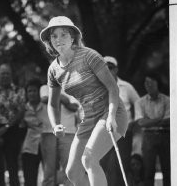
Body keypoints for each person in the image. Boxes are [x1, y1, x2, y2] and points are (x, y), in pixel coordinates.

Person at [39, 16, 128, 186]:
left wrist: (110, 116)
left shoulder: (89, 56)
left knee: (89, 159)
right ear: (49, 41)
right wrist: (55, 124)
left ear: (73, 37)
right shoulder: (53, 70)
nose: (58, 39)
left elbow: (113, 88)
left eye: (63, 34)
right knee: (72, 172)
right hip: (89, 118)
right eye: (54, 36)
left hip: (112, 112)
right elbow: (52, 103)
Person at [101, 56, 140, 186]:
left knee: (122, 165)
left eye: (110, 67)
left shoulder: (126, 86)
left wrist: (134, 122)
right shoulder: (98, 86)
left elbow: (138, 104)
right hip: (104, 133)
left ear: (116, 69)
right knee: (106, 165)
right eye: (104, 67)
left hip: (123, 132)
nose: (107, 70)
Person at [0, 64, 25, 186]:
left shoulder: (19, 91)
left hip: (12, 130)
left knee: (13, 166)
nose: (5, 76)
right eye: (2, 73)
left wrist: (5, 128)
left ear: (11, 75)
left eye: (7, 73)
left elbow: (21, 112)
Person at [40, 84, 80, 186]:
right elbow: (44, 99)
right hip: (49, 132)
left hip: (69, 132)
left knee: (70, 168)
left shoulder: (73, 87)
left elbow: (75, 107)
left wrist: (57, 98)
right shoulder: (45, 87)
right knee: (49, 169)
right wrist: (61, 98)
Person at [135, 72, 170, 186]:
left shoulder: (167, 100)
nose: (148, 85)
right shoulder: (140, 102)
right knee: (148, 170)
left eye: (151, 82)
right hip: (148, 137)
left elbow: (168, 121)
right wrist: (159, 119)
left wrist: (149, 121)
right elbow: (141, 122)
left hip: (165, 135)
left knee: (167, 169)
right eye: (146, 82)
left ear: (157, 83)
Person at [21, 78, 43, 186]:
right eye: (29, 91)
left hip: (45, 146)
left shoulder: (47, 106)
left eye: (34, 90)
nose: (32, 93)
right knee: (29, 179)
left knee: (48, 177)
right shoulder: (22, 110)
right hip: (29, 147)